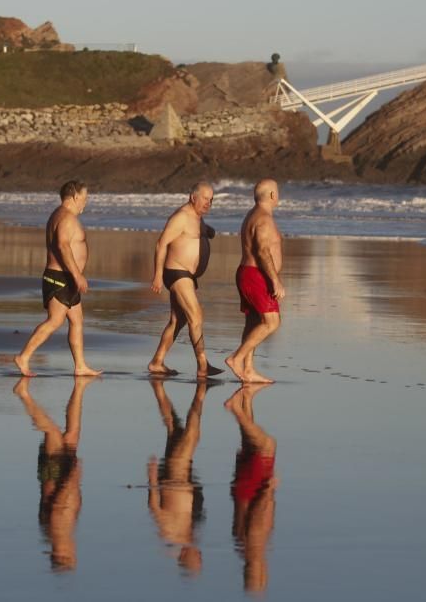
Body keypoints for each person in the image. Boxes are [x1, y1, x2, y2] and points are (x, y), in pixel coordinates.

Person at [14, 180, 102, 377]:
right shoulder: (66, 218)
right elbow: (62, 246)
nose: (85, 203)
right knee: (54, 321)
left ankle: (80, 366)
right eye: (84, 198)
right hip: (60, 277)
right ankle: (23, 357)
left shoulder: (60, 215)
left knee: (77, 321)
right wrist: (77, 275)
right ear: (74, 196)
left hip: (67, 277)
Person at [14, 375, 95, 571]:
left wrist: (73, 477)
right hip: (58, 474)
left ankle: (24, 395)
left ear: (64, 553)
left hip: (57, 473)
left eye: (71, 556)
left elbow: (59, 504)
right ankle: (79, 388)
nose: (75, 551)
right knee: (73, 430)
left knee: (51, 431)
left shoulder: (57, 531)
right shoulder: (55, 533)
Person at [148, 182, 223, 378]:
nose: (209, 202)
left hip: (187, 276)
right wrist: (156, 275)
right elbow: (161, 244)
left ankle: (157, 362)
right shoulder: (181, 217)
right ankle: (203, 365)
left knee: (178, 320)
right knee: (196, 316)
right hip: (176, 272)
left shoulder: (197, 218)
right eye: (205, 198)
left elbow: (197, 232)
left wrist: (209, 232)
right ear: (193, 197)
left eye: (211, 199)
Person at [146, 380, 212, 575]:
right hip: (183, 476)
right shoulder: (190, 533)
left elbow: (154, 508)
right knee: (173, 426)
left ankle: (201, 389)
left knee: (192, 435)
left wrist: (151, 477)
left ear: (184, 557)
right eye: (200, 558)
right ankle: (158, 387)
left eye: (197, 558)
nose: (199, 554)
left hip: (175, 474)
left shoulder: (170, 533)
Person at [225, 179, 285, 383]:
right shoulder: (264, 219)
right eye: (277, 192)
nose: (278, 196)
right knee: (272, 322)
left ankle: (248, 369)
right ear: (271, 195)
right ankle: (236, 358)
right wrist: (275, 281)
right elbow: (262, 251)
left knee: (253, 323)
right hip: (255, 275)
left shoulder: (252, 215)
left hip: (247, 273)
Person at [225, 385, 278, 594]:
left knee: (266, 445)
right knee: (249, 442)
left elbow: (257, 519)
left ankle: (236, 408)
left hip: (252, 488)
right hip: (241, 491)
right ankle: (245, 396)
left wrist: (268, 490)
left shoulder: (254, 549)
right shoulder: (241, 548)